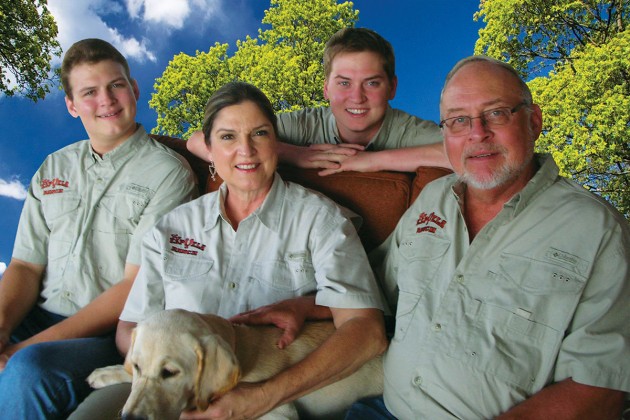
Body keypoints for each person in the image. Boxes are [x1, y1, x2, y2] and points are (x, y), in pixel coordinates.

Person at [235, 56, 630, 419]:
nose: (477, 134)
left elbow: (601, 387)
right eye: (458, 120)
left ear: (534, 122)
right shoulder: (436, 199)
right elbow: (379, 284)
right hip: (382, 408)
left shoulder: (597, 231)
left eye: (495, 113)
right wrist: (307, 307)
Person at [71, 81, 387, 419]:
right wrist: (172, 374)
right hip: (167, 387)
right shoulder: (169, 229)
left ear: (276, 143)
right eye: (227, 137)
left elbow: (367, 333)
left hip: (278, 394)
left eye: (260, 134)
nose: (246, 151)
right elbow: (129, 332)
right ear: (208, 147)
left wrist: (262, 396)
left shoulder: (322, 220)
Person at [0, 38, 197, 418]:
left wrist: (22, 350)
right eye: (89, 92)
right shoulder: (53, 168)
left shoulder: (169, 174)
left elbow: (132, 287)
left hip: (105, 334)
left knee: (28, 371)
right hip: (34, 317)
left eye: (116, 85)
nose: (106, 100)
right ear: (72, 106)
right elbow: (24, 266)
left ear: (134, 88)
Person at [186, 27, 450, 175]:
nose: (356, 97)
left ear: (392, 87)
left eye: (371, 83)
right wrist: (292, 153)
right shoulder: (304, 125)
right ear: (325, 89)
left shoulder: (408, 131)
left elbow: (466, 155)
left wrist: (373, 161)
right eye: (344, 83)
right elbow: (197, 140)